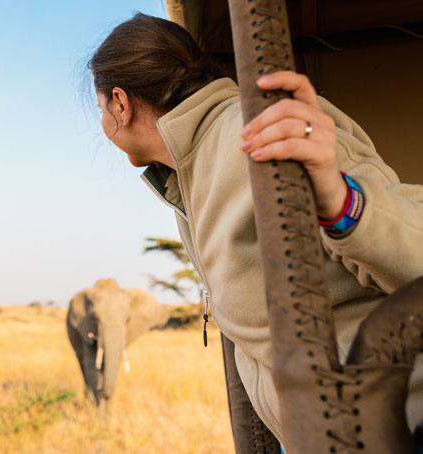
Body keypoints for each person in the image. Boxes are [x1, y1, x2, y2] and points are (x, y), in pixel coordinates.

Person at [88, 12, 423, 444]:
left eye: (100, 109)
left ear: (120, 102)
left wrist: (343, 202)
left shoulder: (257, 132)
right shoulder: (187, 174)